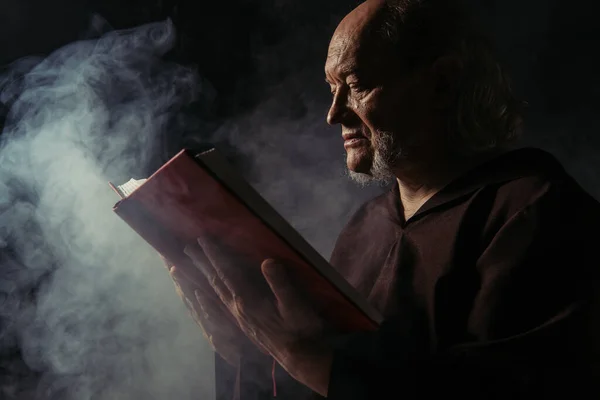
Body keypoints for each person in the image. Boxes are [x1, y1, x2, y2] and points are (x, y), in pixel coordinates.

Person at [167, 0, 600, 398]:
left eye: (356, 84)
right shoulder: (365, 225)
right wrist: (250, 348)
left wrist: (308, 357)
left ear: (441, 83)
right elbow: (323, 378)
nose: (334, 112)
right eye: (331, 88)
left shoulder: (538, 211)